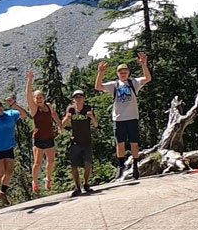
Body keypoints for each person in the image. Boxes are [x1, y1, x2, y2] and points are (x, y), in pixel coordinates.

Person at [94, 52, 151, 180]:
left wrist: (144, 65)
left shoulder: (134, 82)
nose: (123, 74)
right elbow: (98, 87)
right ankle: (120, 166)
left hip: (132, 117)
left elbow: (147, 78)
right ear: (117, 74)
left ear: (129, 73)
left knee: (134, 143)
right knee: (120, 143)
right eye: (121, 72)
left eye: (125, 71)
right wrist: (100, 73)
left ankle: (135, 166)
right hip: (119, 118)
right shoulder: (114, 85)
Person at [26, 70, 63, 193]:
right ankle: (35, 182)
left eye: (40, 97)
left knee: (51, 161)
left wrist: (59, 124)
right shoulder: (34, 109)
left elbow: (53, 114)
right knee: (37, 163)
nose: (39, 99)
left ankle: (48, 179)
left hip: (49, 137)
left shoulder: (48, 106)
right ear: (34, 99)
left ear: (44, 98)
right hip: (39, 139)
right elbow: (27, 94)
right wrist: (30, 79)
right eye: (36, 98)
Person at [62, 89, 99, 197]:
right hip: (75, 141)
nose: (78, 99)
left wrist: (92, 117)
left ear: (84, 98)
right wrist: (66, 118)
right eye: (76, 97)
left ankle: (86, 183)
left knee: (88, 163)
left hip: (86, 140)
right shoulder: (71, 109)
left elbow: (96, 124)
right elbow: (63, 125)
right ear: (73, 99)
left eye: (80, 97)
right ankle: (77, 187)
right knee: (74, 165)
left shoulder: (88, 108)